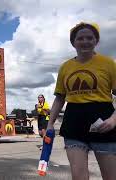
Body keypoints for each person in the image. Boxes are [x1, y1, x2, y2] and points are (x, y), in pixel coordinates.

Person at [47, 22, 116, 180]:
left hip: (104, 124)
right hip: (74, 123)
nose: (85, 41)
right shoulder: (65, 67)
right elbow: (59, 98)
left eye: (90, 38)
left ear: (96, 41)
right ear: (73, 42)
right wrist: (50, 124)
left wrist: (113, 120)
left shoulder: (108, 64)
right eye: (80, 38)